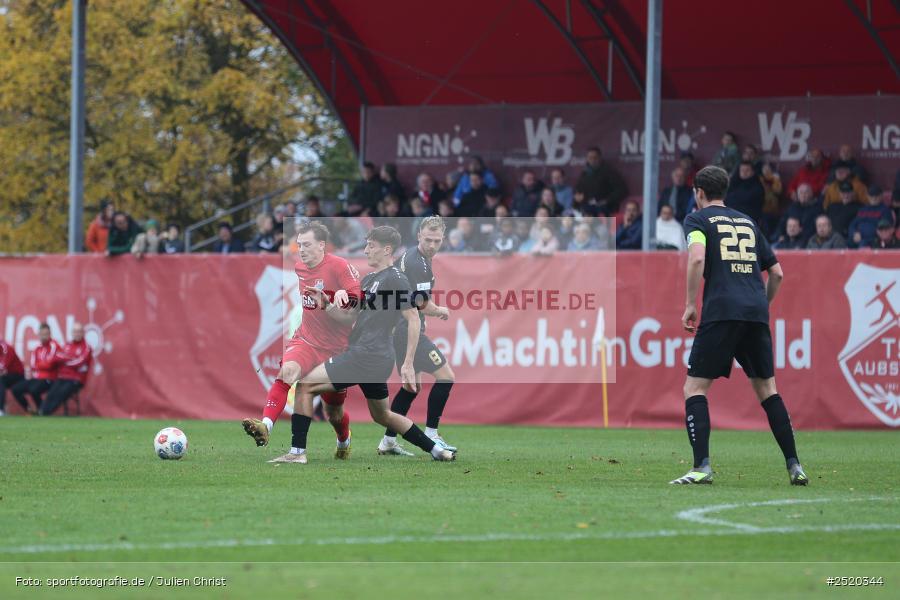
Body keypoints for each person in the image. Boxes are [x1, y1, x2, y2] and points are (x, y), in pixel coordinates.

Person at [674, 166, 807, 486]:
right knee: (768, 390)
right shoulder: (748, 221)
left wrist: (691, 303)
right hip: (755, 312)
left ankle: (701, 467)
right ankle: (795, 465)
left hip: (721, 310)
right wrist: (761, 306)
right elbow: (777, 273)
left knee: (694, 388)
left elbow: (695, 259)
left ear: (699, 193)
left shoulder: (697, 219)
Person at [294, 226, 457, 462]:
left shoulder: (396, 278)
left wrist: (409, 363)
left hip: (367, 353)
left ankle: (297, 453)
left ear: (386, 249)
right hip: (372, 357)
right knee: (383, 415)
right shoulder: (370, 279)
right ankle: (436, 450)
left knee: (305, 386)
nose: (366, 250)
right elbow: (350, 317)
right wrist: (328, 304)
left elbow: (412, 318)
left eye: (371, 246)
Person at [242, 222, 361, 460]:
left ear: (321, 245)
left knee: (333, 411)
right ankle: (268, 427)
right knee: (288, 372)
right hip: (306, 340)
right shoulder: (299, 266)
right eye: (299, 245)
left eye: (306, 245)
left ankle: (343, 439)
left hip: (335, 351)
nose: (301, 250)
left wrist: (343, 296)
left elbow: (357, 298)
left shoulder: (339, 266)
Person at [379, 217, 458, 455]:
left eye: (437, 240)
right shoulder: (418, 264)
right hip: (406, 330)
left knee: (411, 387)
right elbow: (422, 304)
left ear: (442, 239)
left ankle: (388, 441)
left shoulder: (412, 257)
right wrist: (441, 311)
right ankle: (432, 433)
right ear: (419, 236)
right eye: (428, 239)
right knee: (446, 377)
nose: (432, 245)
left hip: (399, 329)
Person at [41, 323, 92, 416]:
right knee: (52, 391)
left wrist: (65, 361)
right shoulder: (67, 345)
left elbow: (79, 362)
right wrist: (70, 359)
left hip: (76, 379)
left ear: (83, 333)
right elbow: (57, 356)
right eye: (75, 331)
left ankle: (47, 412)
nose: (77, 334)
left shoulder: (86, 347)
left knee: (62, 392)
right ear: (72, 333)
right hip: (63, 376)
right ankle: (42, 411)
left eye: (79, 331)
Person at [10, 323, 60, 414]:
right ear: (39, 335)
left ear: (50, 334)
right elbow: (33, 365)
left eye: (46, 334)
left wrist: (40, 365)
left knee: (34, 389)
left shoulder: (54, 345)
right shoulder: (37, 348)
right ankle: (29, 410)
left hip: (50, 378)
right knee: (15, 389)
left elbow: (50, 364)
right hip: (37, 378)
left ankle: (42, 410)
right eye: (42, 334)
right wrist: (43, 364)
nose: (44, 336)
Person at [575, 147, 627, 216]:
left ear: (600, 158)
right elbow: (578, 190)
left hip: (606, 209)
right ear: (587, 159)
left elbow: (622, 190)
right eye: (590, 158)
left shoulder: (609, 172)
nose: (593, 160)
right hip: (588, 209)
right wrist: (577, 196)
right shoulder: (584, 174)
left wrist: (606, 201)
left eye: (595, 157)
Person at [725, 161, 765, 226]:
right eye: (742, 170)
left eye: (747, 170)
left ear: (753, 172)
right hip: (729, 218)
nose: (744, 172)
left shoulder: (757, 187)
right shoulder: (734, 183)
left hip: (747, 220)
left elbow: (747, 202)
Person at [0, 338, 25, 416]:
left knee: (1, 381)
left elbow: (3, 366)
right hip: (7, 375)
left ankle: (1, 409)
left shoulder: (5, 347)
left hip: (17, 375)